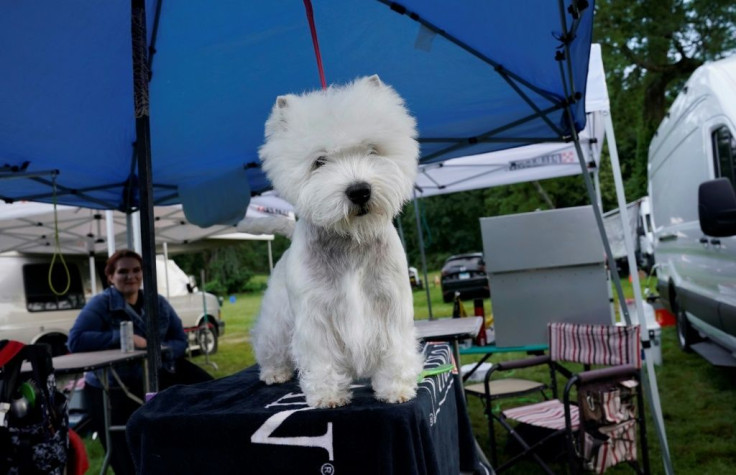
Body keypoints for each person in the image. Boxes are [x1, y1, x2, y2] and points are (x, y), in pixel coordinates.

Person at [67, 249, 212, 475]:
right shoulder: (100, 304)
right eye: (123, 271)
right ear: (110, 277)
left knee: (208, 391)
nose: (131, 276)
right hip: (111, 386)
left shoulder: (158, 302)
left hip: (154, 376)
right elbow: (75, 340)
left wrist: (160, 351)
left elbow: (180, 340)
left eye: (136, 270)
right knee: (126, 453)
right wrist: (122, 339)